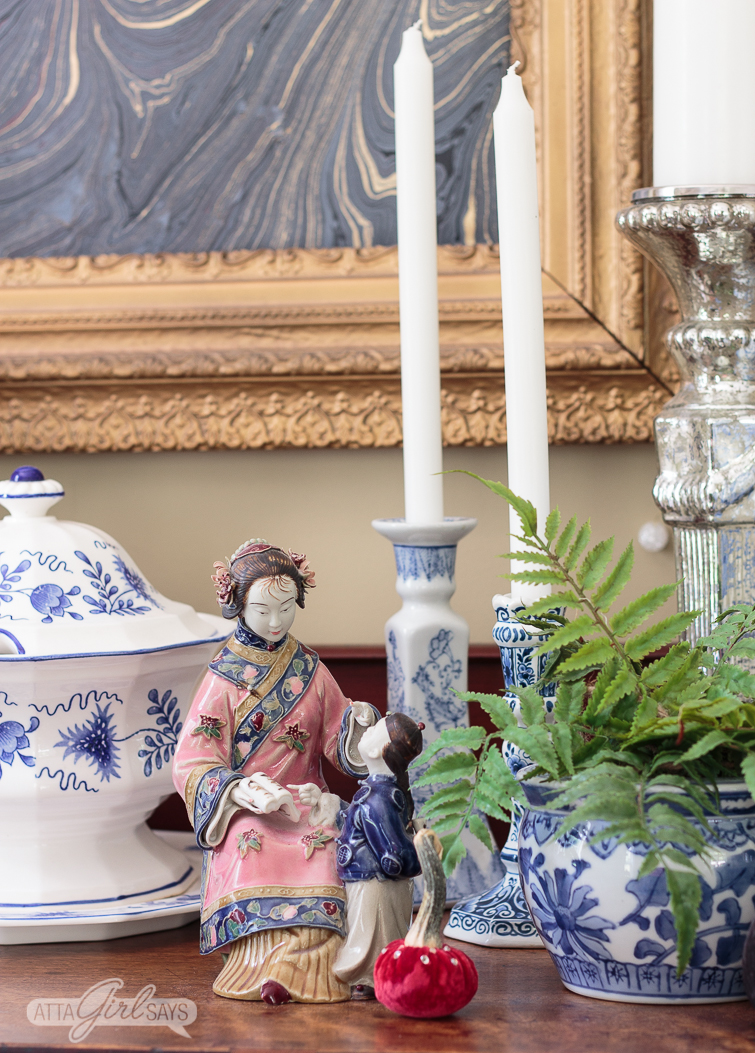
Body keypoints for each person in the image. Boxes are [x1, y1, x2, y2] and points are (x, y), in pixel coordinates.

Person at [172, 540, 377, 1005]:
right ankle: (262, 964)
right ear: (238, 605)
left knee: (328, 843)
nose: (276, 621)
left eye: (286, 609)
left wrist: (359, 723)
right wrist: (237, 789)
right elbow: (192, 759)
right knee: (249, 841)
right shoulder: (223, 677)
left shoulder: (309, 669)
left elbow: (336, 734)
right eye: (263, 610)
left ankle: (327, 964)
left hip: (306, 802)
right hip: (249, 807)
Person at [293, 712, 424, 999]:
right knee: (367, 930)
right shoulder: (377, 793)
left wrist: (415, 853)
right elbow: (356, 819)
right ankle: (372, 974)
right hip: (365, 878)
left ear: (378, 751)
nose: (367, 730)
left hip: (373, 881)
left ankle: (369, 974)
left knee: (371, 932)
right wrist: (324, 801)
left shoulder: (378, 799)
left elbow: (392, 853)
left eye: (374, 729)